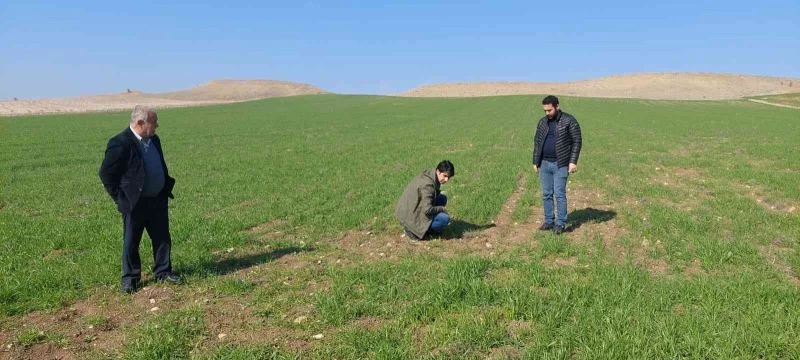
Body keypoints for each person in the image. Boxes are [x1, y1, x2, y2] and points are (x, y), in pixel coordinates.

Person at [99, 105, 180, 294]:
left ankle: (163, 271)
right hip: (134, 202)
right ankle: (130, 278)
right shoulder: (120, 142)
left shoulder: (154, 140)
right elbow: (106, 174)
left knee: (162, 238)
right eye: (154, 122)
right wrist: (120, 198)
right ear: (140, 122)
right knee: (131, 241)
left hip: (157, 199)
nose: (157, 125)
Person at [532, 95, 582, 235]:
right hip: (544, 163)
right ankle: (549, 221)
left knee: (559, 194)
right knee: (546, 194)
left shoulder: (569, 121)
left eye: (549, 110)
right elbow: (537, 142)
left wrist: (573, 161)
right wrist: (535, 161)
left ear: (557, 106)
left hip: (561, 164)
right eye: (545, 111)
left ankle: (560, 223)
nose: (547, 113)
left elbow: (577, 141)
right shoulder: (542, 122)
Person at [396, 160, 454, 240]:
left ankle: (425, 226)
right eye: (445, 176)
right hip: (409, 217)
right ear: (438, 171)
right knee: (444, 219)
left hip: (409, 209)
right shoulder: (428, 185)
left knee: (442, 199)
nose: (446, 179)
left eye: (448, 177)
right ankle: (413, 231)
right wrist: (442, 209)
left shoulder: (431, 175)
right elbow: (427, 210)